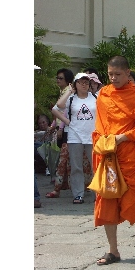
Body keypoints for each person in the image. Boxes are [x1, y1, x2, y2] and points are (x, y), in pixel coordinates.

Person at [93, 55, 135, 265]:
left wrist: (123, 137)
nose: (113, 78)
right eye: (110, 74)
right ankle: (113, 251)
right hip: (109, 156)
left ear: (128, 73)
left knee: (133, 200)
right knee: (107, 200)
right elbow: (100, 126)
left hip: (130, 154)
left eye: (117, 74)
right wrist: (103, 143)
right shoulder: (104, 94)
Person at [55, 73, 97, 203]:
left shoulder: (95, 97)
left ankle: (99, 194)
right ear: (75, 84)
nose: (84, 85)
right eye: (81, 82)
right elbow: (57, 107)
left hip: (92, 135)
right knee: (76, 167)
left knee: (96, 166)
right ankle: (78, 194)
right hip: (75, 136)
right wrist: (67, 122)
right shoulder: (71, 99)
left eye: (86, 82)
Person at [46, 68, 75, 198]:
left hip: (66, 129)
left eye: (60, 78)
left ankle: (58, 186)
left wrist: (60, 128)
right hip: (61, 128)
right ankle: (63, 184)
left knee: (63, 159)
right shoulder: (63, 91)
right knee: (64, 159)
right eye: (57, 77)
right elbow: (57, 112)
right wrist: (53, 126)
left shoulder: (69, 92)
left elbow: (64, 112)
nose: (58, 80)